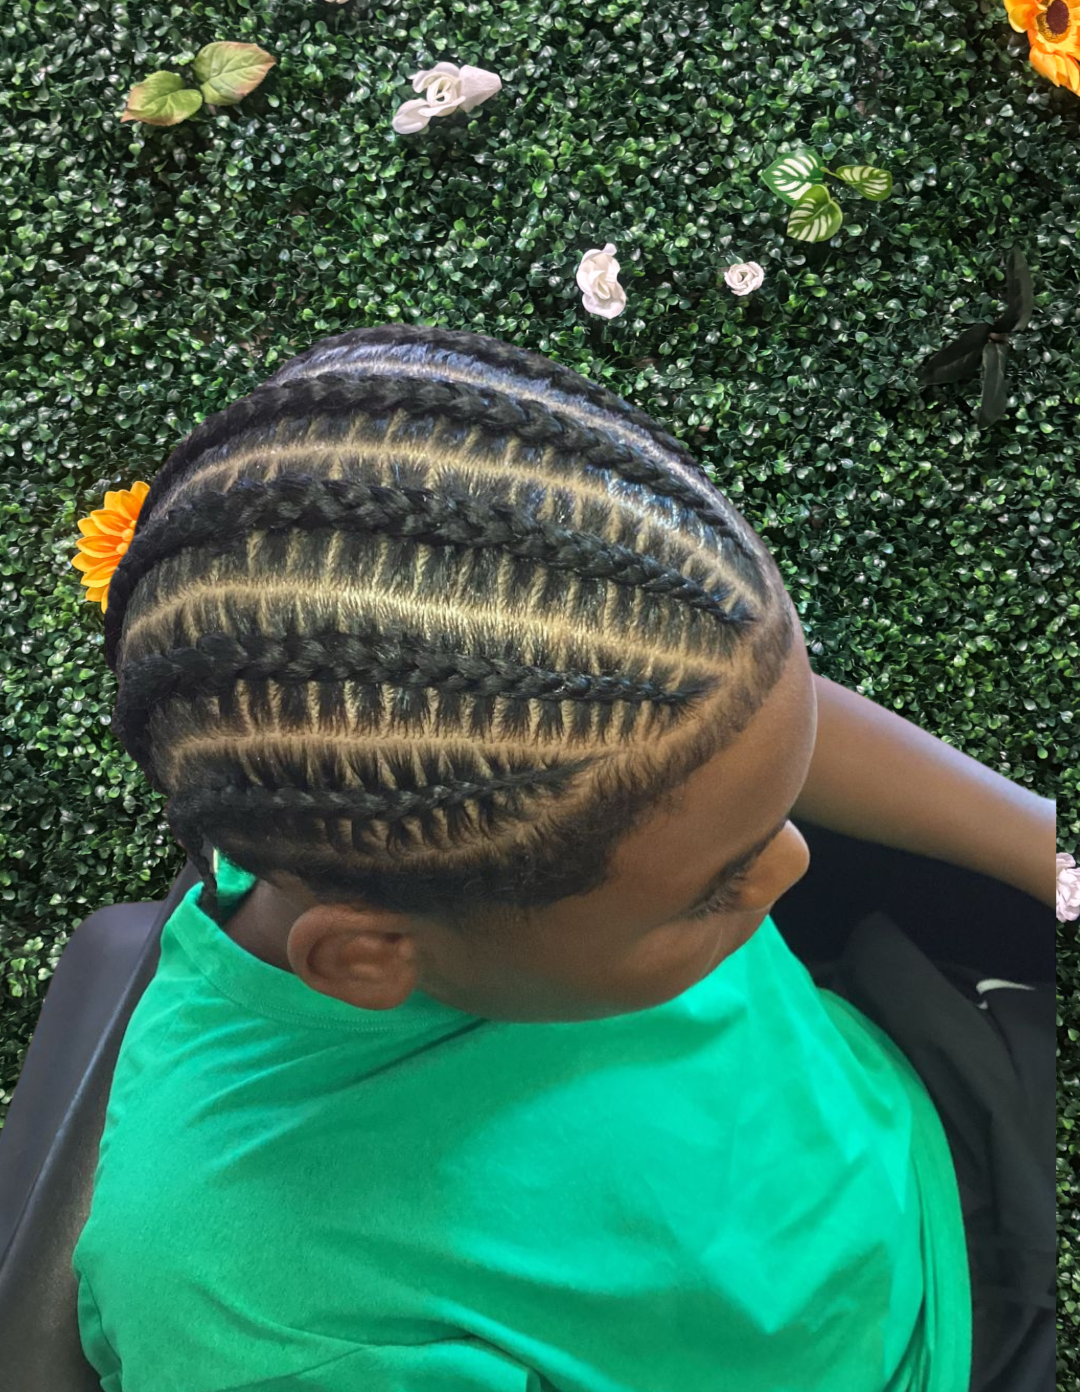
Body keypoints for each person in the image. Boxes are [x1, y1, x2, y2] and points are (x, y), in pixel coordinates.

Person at [69, 325, 1055, 1392]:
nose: (793, 870)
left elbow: (743, 726)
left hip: (926, 1102)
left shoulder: (500, 783)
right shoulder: (272, 1329)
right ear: (365, 961)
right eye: (715, 889)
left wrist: (1056, 859)